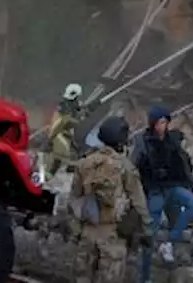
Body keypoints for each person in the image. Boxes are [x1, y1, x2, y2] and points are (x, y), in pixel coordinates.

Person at [71, 116, 151, 283]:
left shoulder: (84, 163)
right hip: (113, 235)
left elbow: (74, 199)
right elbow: (139, 203)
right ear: (121, 141)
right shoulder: (126, 167)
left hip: (88, 232)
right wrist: (147, 231)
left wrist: (76, 231)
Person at [131, 105, 193, 280]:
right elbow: (134, 167)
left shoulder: (172, 140)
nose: (162, 126)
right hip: (154, 190)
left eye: (165, 122)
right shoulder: (143, 141)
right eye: (159, 122)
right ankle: (145, 277)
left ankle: (169, 243)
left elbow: (184, 164)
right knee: (149, 235)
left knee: (192, 203)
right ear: (153, 124)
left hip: (172, 187)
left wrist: (190, 185)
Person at [47, 83, 88, 175]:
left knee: (73, 150)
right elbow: (67, 121)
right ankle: (52, 171)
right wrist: (82, 117)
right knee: (64, 151)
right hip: (61, 130)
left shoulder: (72, 103)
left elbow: (79, 106)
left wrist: (84, 108)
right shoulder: (63, 106)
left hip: (66, 130)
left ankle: (69, 168)